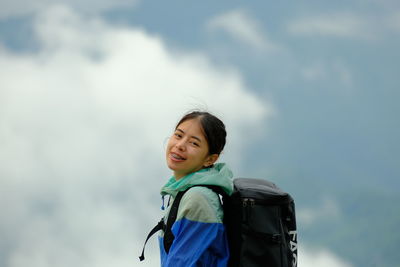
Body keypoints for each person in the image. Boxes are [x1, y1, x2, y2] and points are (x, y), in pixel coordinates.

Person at [159, 111, 234, 267]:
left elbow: (180, 263)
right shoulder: (182, 190)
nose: (180, 146)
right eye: (178, 135)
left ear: (210, 159)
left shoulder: (197, 198)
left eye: (194, 143)